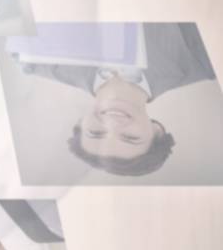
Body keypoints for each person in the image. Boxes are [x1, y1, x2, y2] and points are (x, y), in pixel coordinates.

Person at [11, 22, 218, 177]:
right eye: (130, 137)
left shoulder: (35, 59)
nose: (111, 125)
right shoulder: (204, 58)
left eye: (96, 133)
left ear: (80, 124)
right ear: (157, 131)